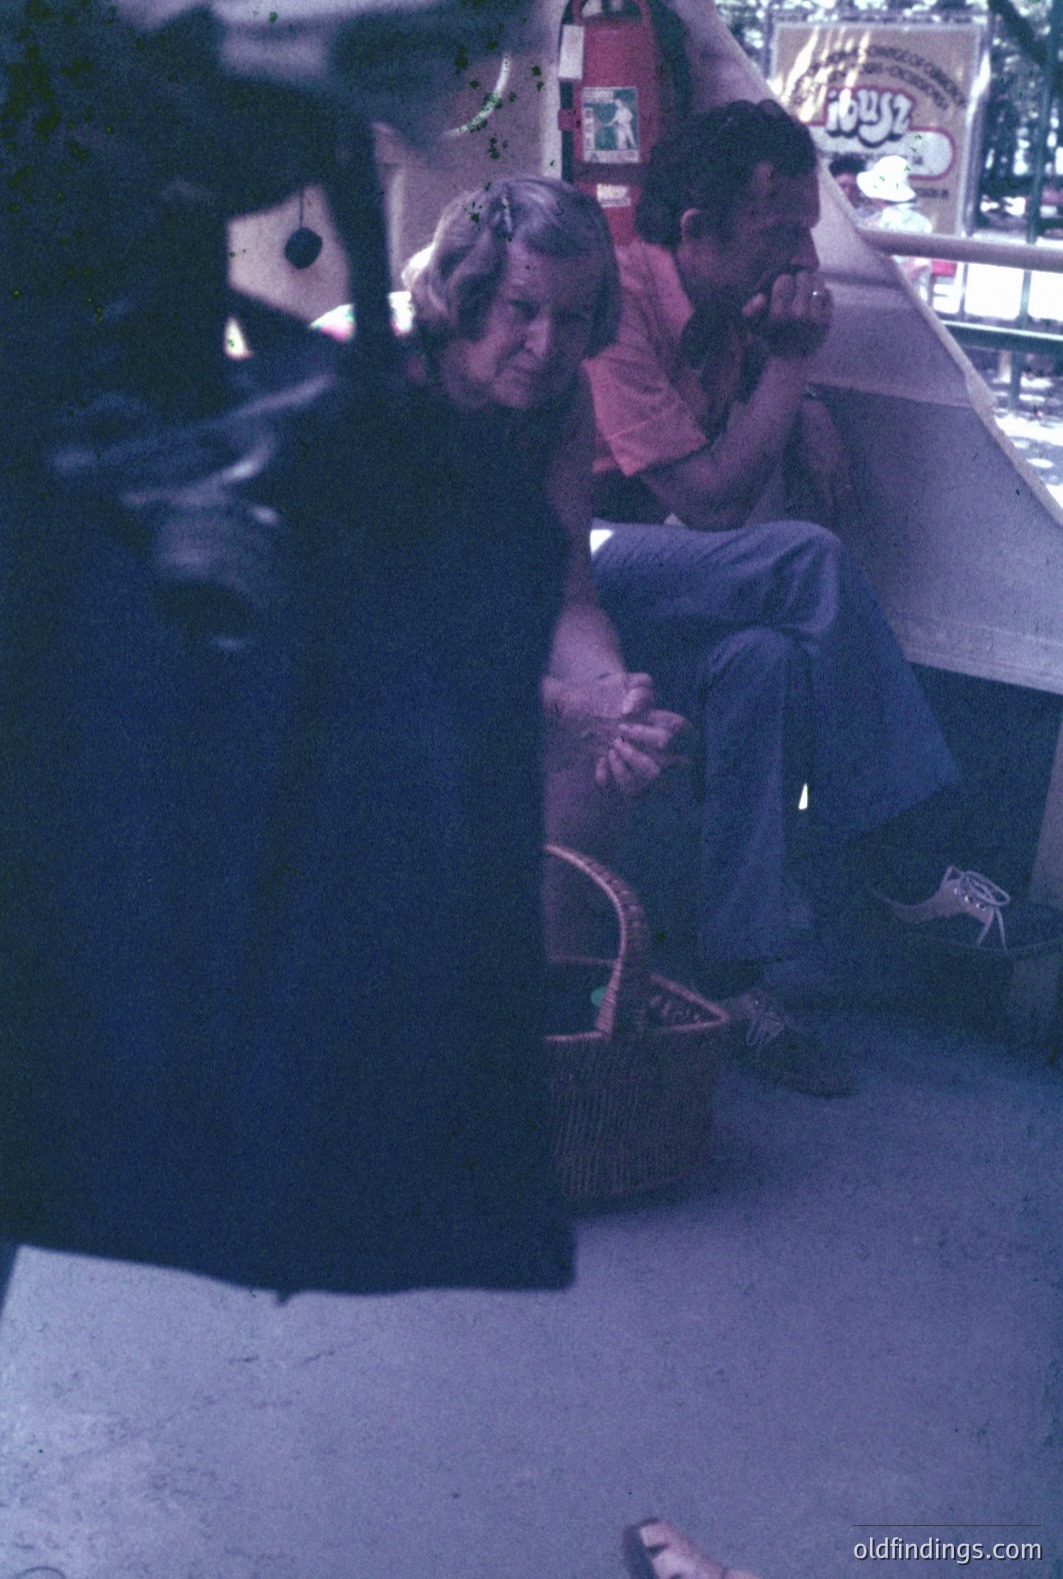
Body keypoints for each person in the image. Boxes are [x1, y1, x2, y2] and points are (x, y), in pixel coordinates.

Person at [584, 100, 1063, 1095]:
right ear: (694, 231)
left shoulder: (729, 313)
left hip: (630, 594)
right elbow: (711, 505)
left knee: (759, 664)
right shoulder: (613, 308)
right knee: (802, 561)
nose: (803, 258)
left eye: (808, 230)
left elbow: (743, 460)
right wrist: (798, 367)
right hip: (556, 577)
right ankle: (906, 861)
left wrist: (805, 399)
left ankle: (736, 985)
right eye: (780, 233)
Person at [401, 177, 690, 954]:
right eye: (520, 309)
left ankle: (551, 1001)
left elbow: (567, 595)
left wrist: (612, 701)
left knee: (601, 763)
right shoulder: (383, 378)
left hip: (457, 654)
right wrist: (565, 705)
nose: (546, 344)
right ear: (466, 294)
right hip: (324, 677)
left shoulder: (558, 400)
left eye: (572, 317)